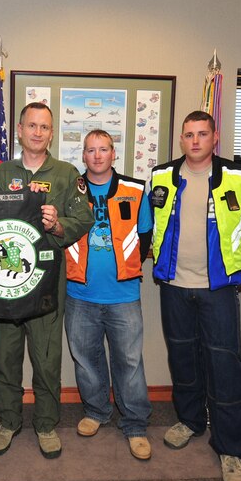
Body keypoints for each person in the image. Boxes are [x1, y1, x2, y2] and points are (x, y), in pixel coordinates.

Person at [149, 110, 241, 481]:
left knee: (224, 364)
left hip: (218, 291)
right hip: (175, 287)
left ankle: (231, 447)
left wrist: (234, 270)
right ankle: (191, 420)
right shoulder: (161, 176)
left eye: (202, 134)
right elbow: (150, 225)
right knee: (182, 358)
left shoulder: (240, 178)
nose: (195, 141)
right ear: (181, 140)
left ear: (215, 138)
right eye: (188, 135)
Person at [0, 102, 93, 459]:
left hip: (46, 280)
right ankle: (8, 420)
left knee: (46, 357)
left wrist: (58, 222)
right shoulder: (2, 172)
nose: (37, 132)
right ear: (19, 130)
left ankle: (46, 424)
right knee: (6, 356)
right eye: (31, 125)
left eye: (44, 127)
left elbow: (84, 218)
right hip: (6, 281)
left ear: (51, 133)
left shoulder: (66, 173)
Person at [64, 129, 153, 460]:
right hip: (79, 293)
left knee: (129, 362)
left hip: (124, 294)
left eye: (103, 149)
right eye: (90, 150)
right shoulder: (70, 189)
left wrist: (122, 268)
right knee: (86, 359)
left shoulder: (134, 190)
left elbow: (144, 238)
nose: (97, 155)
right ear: (83, 156)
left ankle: (135, 425)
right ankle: (96, 411)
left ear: (113, 153)